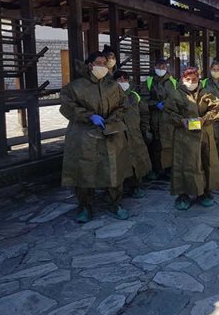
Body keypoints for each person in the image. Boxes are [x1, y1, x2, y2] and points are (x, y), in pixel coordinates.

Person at [60, 51, 131, 223]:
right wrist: (89, 116)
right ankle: (85, 206)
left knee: (114, 168)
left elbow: (123, 105)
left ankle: (115, 203)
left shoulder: (113, 86)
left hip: (110, 132)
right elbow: (67, 106)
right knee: (85, 169)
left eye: (105, 63)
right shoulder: (76, 86)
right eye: (98, 62)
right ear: (90, 65)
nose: (102, 66)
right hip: (84, 135)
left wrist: (112, 119)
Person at [165, 67, 219, 210]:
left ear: (199, 79)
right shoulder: (176, 94)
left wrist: (204, 119)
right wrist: (181, 121)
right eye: (188, 79)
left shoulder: (206, 93)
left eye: (194, 79)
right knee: (183, 165)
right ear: (182, 79)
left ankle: (204, 192)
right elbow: (168, 112)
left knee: (205, 163)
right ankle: (183, 194)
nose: (191, 82)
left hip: (204, 135)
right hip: (183, 136)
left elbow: (218, 108)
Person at [113, 70, 152, 198]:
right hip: (117, 135)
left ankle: (135, 185)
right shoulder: (110, 96)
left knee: (136, 160)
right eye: (119, 80)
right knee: (119, 162)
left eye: (125, 80)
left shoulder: (134, 96)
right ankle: (117, 189)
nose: (122, 82)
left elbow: (144, 113)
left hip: (135, 133)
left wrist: (144, 128)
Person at [141, 59, 178, 179]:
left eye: (163, 66)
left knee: (170, 143)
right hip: (155, 117)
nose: (161, 69)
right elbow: (143, 99)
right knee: (156, 144)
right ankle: (157, 168)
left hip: (169, 117)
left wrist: (168, 105)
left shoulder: (173, 82)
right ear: (154, 66)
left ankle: (169, 168)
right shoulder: (149, 82)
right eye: (158, 66)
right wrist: (155, 104)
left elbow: (178, 98)